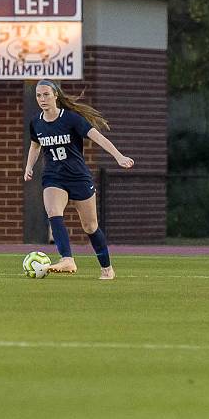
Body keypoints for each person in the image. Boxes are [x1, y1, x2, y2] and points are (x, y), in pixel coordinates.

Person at [24, 79, 134, 280]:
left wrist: (119, 156)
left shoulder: (71, 119)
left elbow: (98, 137)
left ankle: (107, 268)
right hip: (54, 176)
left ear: (56, 95)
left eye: (46, 94)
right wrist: (29, 167)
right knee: (53, 212)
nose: (42, 99)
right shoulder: (36, 122)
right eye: (38, 95)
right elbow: (35, 146)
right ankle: (67, 259)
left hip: (78, 178)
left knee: (90, 226)